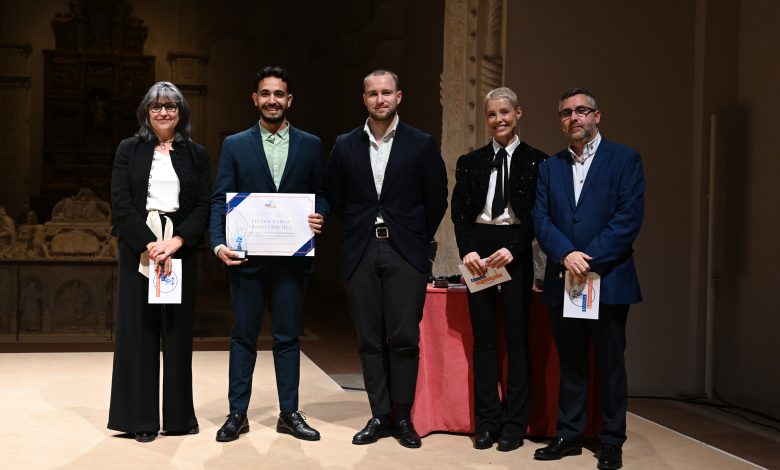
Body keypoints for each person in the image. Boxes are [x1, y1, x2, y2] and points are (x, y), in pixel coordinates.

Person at [326, 69, 448, 449]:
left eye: (387, 93)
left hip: (404, 252)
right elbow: (335, 195)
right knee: (368, 340)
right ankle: (379, 415)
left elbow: (437, 197)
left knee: (404, 337)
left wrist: (415, 238)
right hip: (361, 249)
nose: (380, 99)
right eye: (373, 94)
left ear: (399, 96)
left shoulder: (421, 143)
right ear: (364, 99)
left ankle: (404, 417)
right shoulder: (345, 144)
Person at [209, 66, 327, 443]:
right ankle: (237, 414)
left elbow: (321, 192)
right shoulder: (235, 144)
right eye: (266, 93)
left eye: (279, 94)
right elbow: (219, 199)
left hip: (291, 260)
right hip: (246, 258)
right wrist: (217, 243)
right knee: (243, 336)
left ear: (289, 100)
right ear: (255, 99)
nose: (272, 100)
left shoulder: (310, 144)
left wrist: (319, 214)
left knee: (288, 337)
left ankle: (289, 414)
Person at [532, 88, 644, 470]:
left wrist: (588, 257)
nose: (573, 117)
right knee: (572, 361)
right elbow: (541, 219)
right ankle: (569, 434)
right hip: (566, 278)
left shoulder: (625, 160)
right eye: (566, 113)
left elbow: (628, 218)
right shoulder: (549, 168)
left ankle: (612, 440)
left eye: (581, 110)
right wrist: (566, 255)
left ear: (598, 116)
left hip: (608, 278)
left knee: (611, 364)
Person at [108, 81, 211, 443]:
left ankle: (180, 418)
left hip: (178, 246)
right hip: (140, 249)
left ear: (181, 113)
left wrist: (177, 241)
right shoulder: (128, 149)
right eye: (156, 107)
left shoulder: (196, 153)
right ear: (146, 112)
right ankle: (141, 419)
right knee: (141, 333)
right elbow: (120, 202)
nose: (164, 113)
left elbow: (204, 205)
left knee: (178, 334)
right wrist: (151, 245)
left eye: (171, 107)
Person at [450, 87, 546, 451]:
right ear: (486, 119)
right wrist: (469, 251)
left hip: (515, 251)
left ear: (518, 113)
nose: (498, 120)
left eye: (505, 112)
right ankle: (487, 423)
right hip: (479, 254)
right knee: (485, 340)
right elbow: (460, 213)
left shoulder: (538, 160)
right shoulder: (469, 161)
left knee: (519, 342)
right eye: (492, 115)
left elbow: (537, 214)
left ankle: (514, 425)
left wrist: (513, 248)